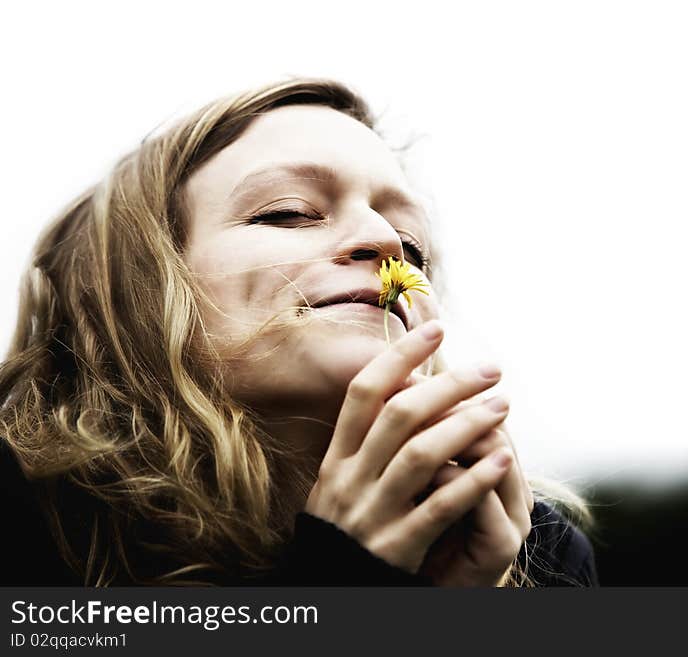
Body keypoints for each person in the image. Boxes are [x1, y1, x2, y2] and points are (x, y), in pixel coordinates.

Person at [0, 77, 598, 587]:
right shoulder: (28, 508)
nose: (388, 244)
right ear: (132, 287)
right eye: (288, 211)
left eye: (412, 248)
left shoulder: (534, 551)